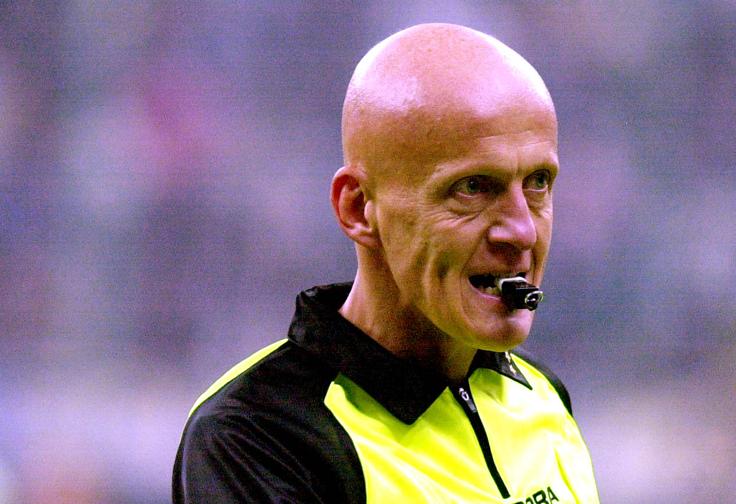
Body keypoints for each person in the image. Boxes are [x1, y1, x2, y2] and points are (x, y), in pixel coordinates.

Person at [173, 23, 600, 503]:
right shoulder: (259, 435)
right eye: (473, 188)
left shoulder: (542, 396)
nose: (522, 231)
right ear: (358, 209)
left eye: (538, 182)